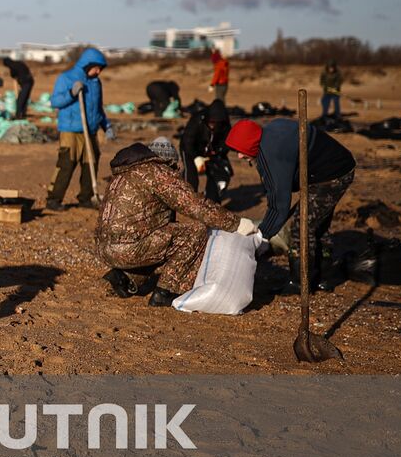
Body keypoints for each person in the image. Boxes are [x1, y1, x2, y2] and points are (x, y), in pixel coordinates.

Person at [96, 141, 251, 306]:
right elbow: (194, 205)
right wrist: (235, 223)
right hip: (128, 247)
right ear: (168, 161)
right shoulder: (158, 173)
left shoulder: (127, 172)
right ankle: (167, 291)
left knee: (166, 236)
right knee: (195, 232)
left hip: (104, 247)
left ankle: (124, 278)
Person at [226, 118, 355, 295]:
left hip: (331, 176)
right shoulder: (271, 133)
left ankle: (299, 282)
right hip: (335, 167)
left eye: (241, 151)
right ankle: (325, 276)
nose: (239, 156)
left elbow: (279, 204)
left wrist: (263, 237)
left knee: (302, 227)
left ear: (251, 143)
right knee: (317, 224)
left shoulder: (272, 152)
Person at [46, 48, 114, 211]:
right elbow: (55, 101)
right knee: (66, 164)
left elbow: (99, 107)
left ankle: (86, 198)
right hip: (71, 130)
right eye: (96, 67)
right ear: (87, 65)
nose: (98, 71)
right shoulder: (66, 78)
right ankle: (53, 199)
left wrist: (107, 125)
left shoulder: (96, 83)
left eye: (100, 68)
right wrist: (71, 93)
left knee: (91, 163)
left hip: (90, 131)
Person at [179, 99, 233, 201]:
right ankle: (187, 201)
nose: (213, 124)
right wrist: (196, 157)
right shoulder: (198, 119)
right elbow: (187, 141)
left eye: (216, 123)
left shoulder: (225, 125)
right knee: (191, 177)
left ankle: (212, 201)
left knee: (218, 174)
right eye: (211, 121)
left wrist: (218, 152)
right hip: (190, 149)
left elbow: (226, 142)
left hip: (211, 152)